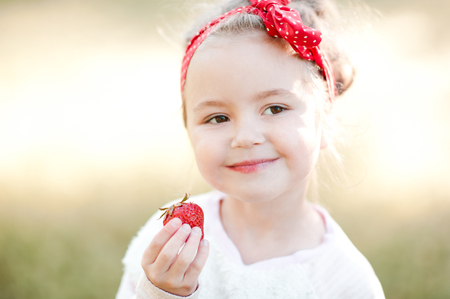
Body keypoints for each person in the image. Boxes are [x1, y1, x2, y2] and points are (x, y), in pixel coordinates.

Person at [116, 0, 385, 298]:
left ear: (324, 118)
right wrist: (161, 292)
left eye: (274, 108)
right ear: (188, 129)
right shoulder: (170, 241)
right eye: (217, 117)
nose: (244, 137)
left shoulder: (345, 281)